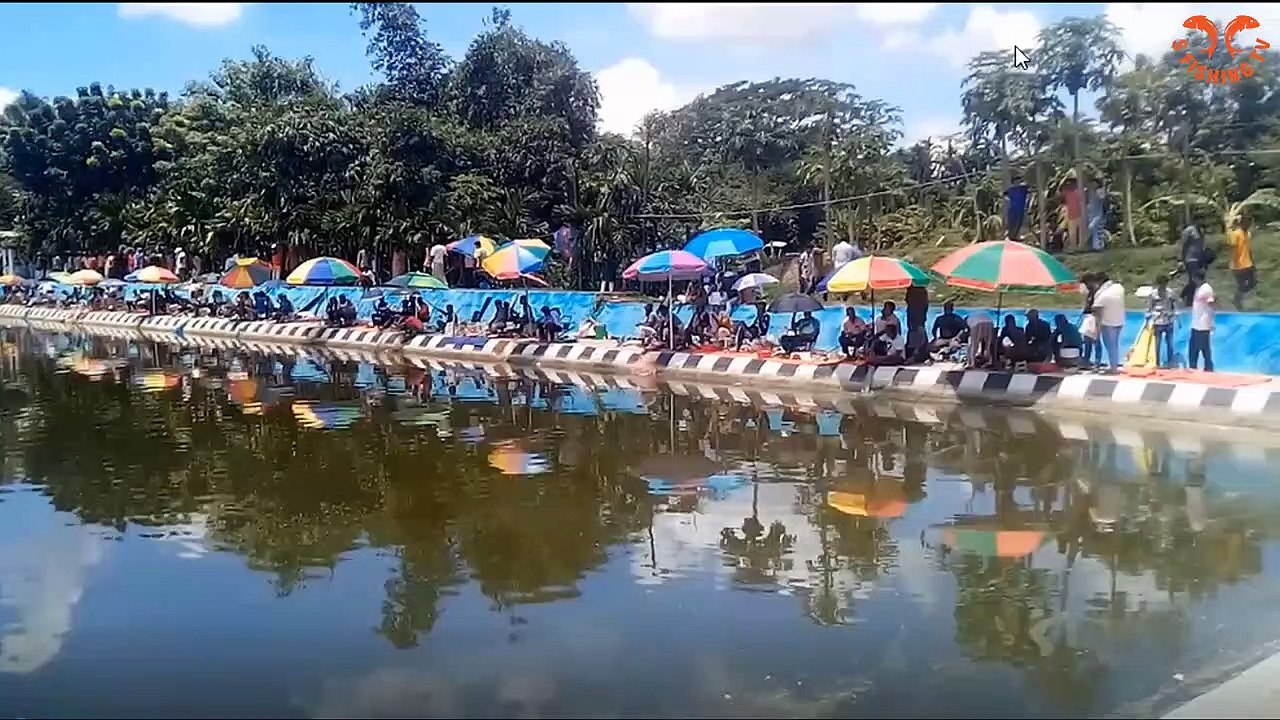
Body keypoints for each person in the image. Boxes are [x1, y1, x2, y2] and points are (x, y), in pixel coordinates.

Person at [1093, 274, 1126, 373]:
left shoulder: (1103, 295)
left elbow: (1097, 311)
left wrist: (1097, 329)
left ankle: (1113, 368)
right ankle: (1113, 364)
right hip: (1119, 320)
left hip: (1108, 323)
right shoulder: (1119, 288)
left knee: (1110, 345)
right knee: (1115, 345)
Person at [1147, 274, 1177, 369]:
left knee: (1170, 343)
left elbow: (1174, 304)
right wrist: (1148, 317)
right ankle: (1157, 362)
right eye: (1161, 284)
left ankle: (1170, 362)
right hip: (1157, 321)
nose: (1163, 286)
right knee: (1157, 343)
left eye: (1164, 284)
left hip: (1168, 320)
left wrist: (1174, 313)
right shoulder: (1153, 294)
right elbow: (1150, 307)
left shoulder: (1170, 293)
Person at [1227, 214, 1256, 311]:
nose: (1249, 225)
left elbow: (1248, 249)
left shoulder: (1247, 233)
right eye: (1247, 223)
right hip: (1238, 265)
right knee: (1242, 284)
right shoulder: (1236, 234)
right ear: (1242, 223)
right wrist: (1232, 263)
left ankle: (1238, 298)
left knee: (1252, 283)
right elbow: (1233, 249)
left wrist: (1252, 261)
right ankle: (1238, 300)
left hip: (1248, 263)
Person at [1189, 278, 1215, 371]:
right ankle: (1193, 366)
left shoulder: (1206, 289)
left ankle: (1208, 367)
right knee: (1193, 347)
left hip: (1203, 323)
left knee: (1205, 348)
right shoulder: (1198, 288)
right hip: (1196, 322)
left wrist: (1211, 321)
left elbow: (1211, 304)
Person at [1060, 176, 1085, 252]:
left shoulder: (1078, 191)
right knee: (1073, 232)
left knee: (1077, 232)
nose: (1070, 185)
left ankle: (1079, 247)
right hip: (1073, 214)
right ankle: (1074, 247)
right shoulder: (1067, 191)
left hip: (1079, 214)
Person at [1005, 174, 1030, 242]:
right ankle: (1011, 236)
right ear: (1013, 182)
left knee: (1019, 223)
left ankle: (1016, 236)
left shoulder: (1023, 188)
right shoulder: (1011, 189)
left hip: (1021, 209)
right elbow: (1004, 195)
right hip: (1012, 209)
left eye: (1019, 181)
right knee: (1012, 223)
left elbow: (1029, 190)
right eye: (1016, 181)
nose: (1018, 183)